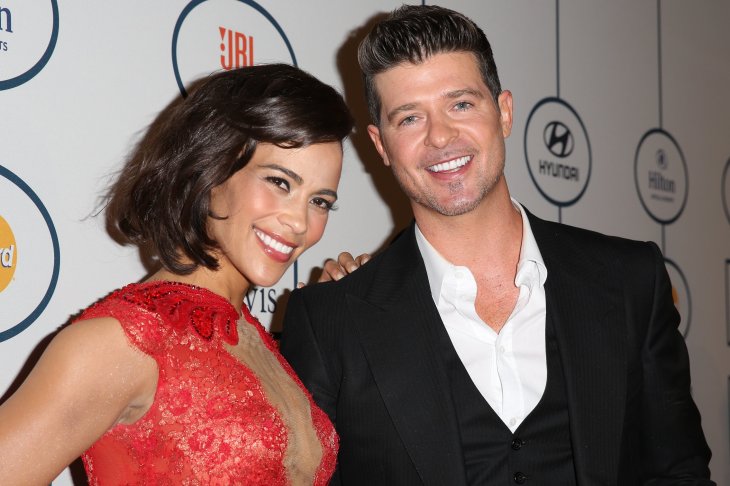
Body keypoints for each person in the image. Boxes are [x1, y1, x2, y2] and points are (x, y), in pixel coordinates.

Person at [280, 5, 714, 485]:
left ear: (504, 112)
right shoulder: (330, 323)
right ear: (381, 146)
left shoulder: (631, 279)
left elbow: (680, 473)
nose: (441, 136)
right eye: (409, 119)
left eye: (461, 104)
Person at [0, 63, 353, 484]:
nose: (299, 221)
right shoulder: (123, 341)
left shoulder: (256, 341)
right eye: (280, 182)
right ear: (212, 170)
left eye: (320, 202)